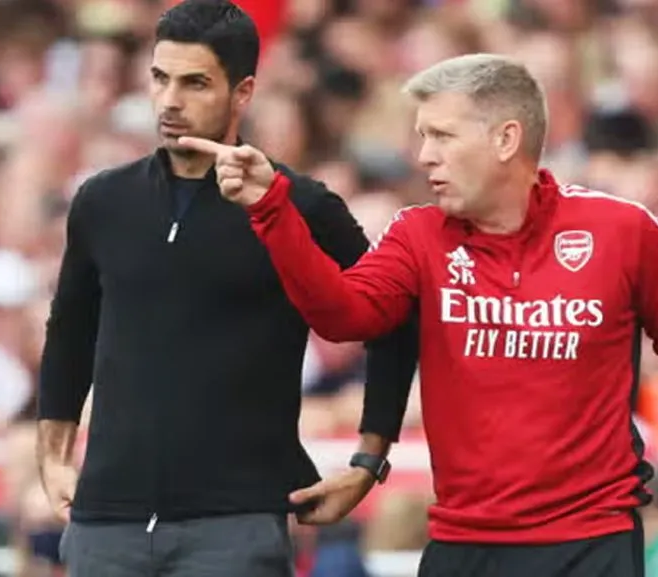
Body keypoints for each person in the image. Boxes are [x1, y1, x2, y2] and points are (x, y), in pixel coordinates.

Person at [179, 53, 658, 577]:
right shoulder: (418, 234)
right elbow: (345, 316)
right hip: (463, 543)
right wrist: (272, 211)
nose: (423, 155)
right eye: (422, 136)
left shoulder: (623, 231)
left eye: (442, 136)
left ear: (506, 139)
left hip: (591, 544)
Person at [36, 1, 418, 577]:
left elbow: (392, 315)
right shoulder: (102, 201)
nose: (169, 101)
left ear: (243, 93)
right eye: (160, 78)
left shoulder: (300, 205)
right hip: (104, 522)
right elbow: (69, 334)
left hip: (234, 525)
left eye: (195, 84)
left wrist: (370, 458)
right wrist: (53, 454)